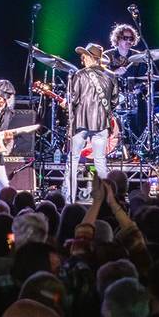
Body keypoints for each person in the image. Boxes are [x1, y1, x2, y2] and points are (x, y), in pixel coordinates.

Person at [64, 43, 118, 200]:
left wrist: (68, 108)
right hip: (101, 124)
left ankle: (69, 199)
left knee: (73, 160)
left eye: (84, 56)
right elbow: (114, 101)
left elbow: (73, 100)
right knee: (100, 161)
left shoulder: (79, 75)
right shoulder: (111, 75)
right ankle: (105, 199)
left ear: (90, 58)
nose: (82, 58)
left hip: (81, 122)